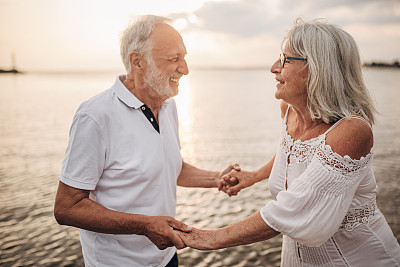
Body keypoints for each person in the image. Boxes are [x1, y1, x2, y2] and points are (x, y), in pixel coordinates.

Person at [177, 18, 400, 266]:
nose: (274, 67)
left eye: (284, 60)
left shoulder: (352, 131)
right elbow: (291, 152)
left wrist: (205, 238)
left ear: (318, 68)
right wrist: (255, 176)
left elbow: (294, 211)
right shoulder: (289, 110)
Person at [54, 15, 240, 267]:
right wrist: (145, 225)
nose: (185, 69)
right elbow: (67, 207)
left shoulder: (169, 107)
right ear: (137, 61)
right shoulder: (95, 116)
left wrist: (216, 178)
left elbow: (172, 166)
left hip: (166, 257)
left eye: (184, 58)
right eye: (174, 59)